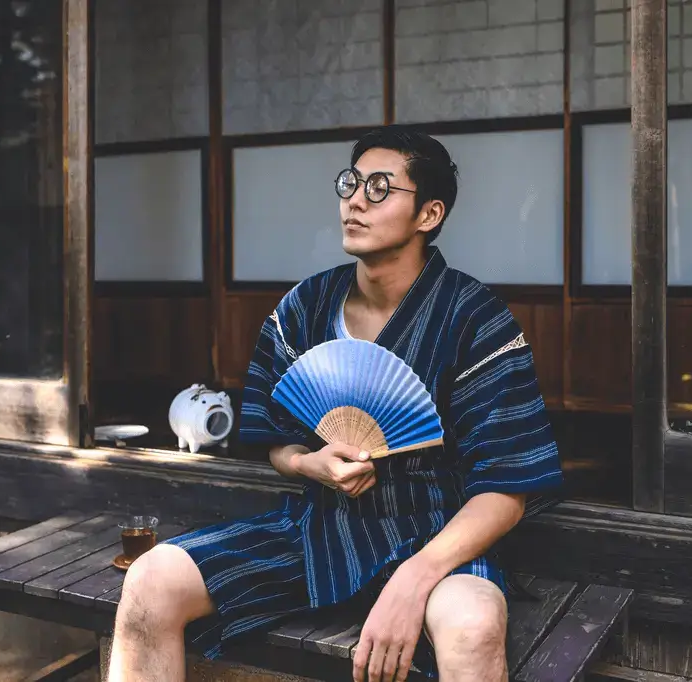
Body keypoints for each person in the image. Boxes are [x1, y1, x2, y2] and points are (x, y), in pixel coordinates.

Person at [106, 126, 564, 682]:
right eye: (351, 183)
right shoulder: (303, 307)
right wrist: (306, 463)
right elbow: (275, 439)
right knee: (150, 581)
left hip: (437, 536)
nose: (354, 199)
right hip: (320, 528)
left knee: (473, 623)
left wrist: (414, 579)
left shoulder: (474, 319)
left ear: (428, 214)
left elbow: (507, 488)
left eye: (379, 187)